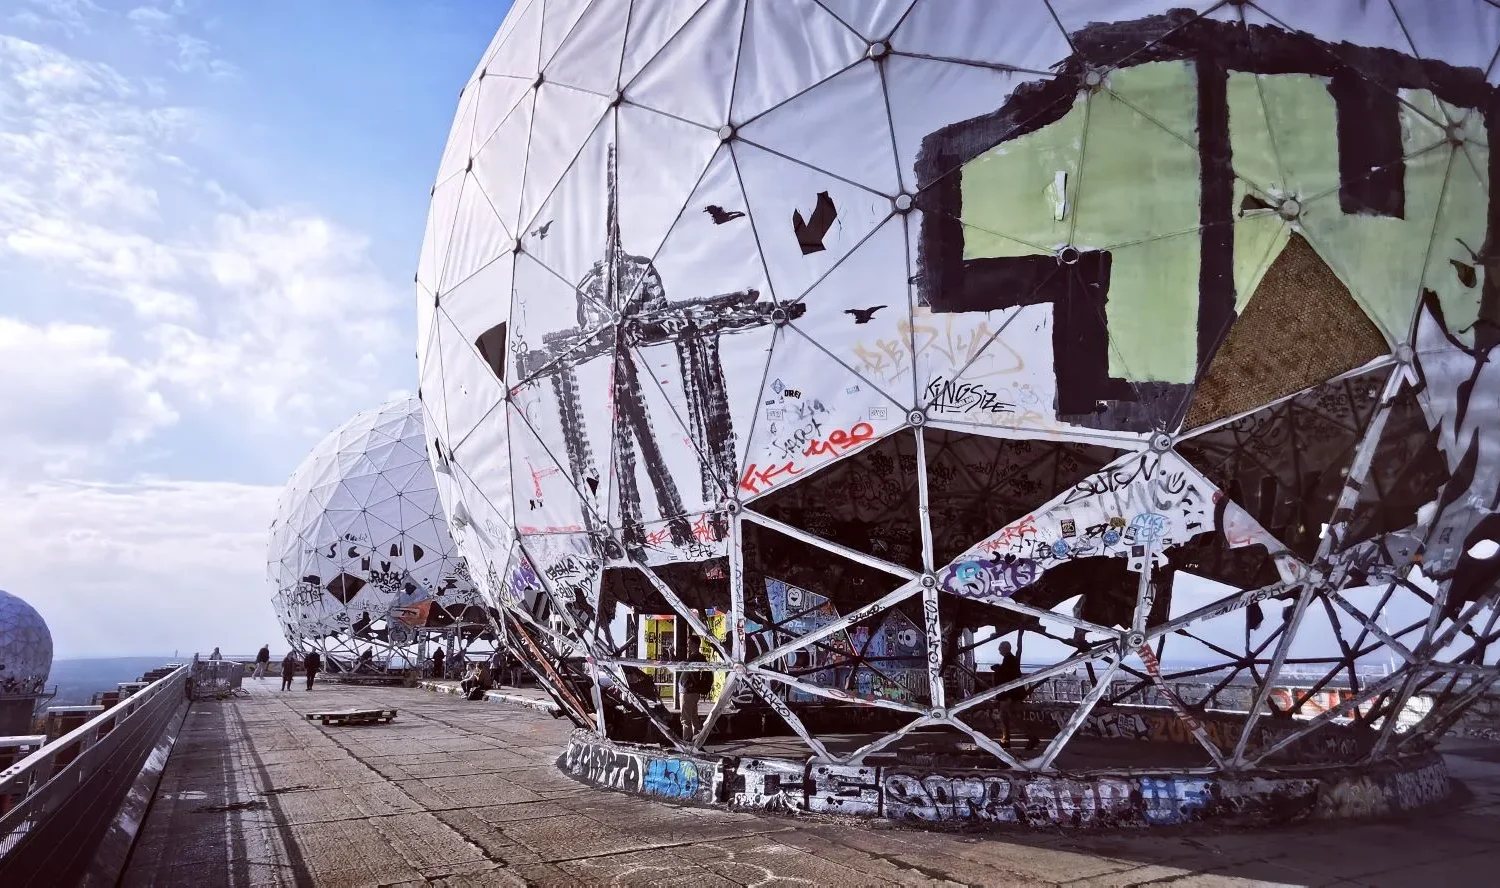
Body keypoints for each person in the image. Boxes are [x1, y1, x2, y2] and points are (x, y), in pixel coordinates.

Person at [990, 641, 1034, 749]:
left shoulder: (1009, 660)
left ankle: (1031, 738)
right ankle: (1006, 740)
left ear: (1005, 649)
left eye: (1000, 647)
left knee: (1012, 718)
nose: (999, 649)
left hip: (1008, 697)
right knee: (1004, 717)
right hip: (1009, 696)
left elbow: (1007, 678)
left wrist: (997, 669)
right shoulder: (1010, 660)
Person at [679, 643, 710, 741]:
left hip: (688, 691)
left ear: (694, 644)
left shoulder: (694, 658)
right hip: (693, 692)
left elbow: (687, 670)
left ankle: (687, 741)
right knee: (693, 718)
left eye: (689, 643)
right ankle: (697, 740)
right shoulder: (699, 658)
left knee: (686, 719)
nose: (687, 645)